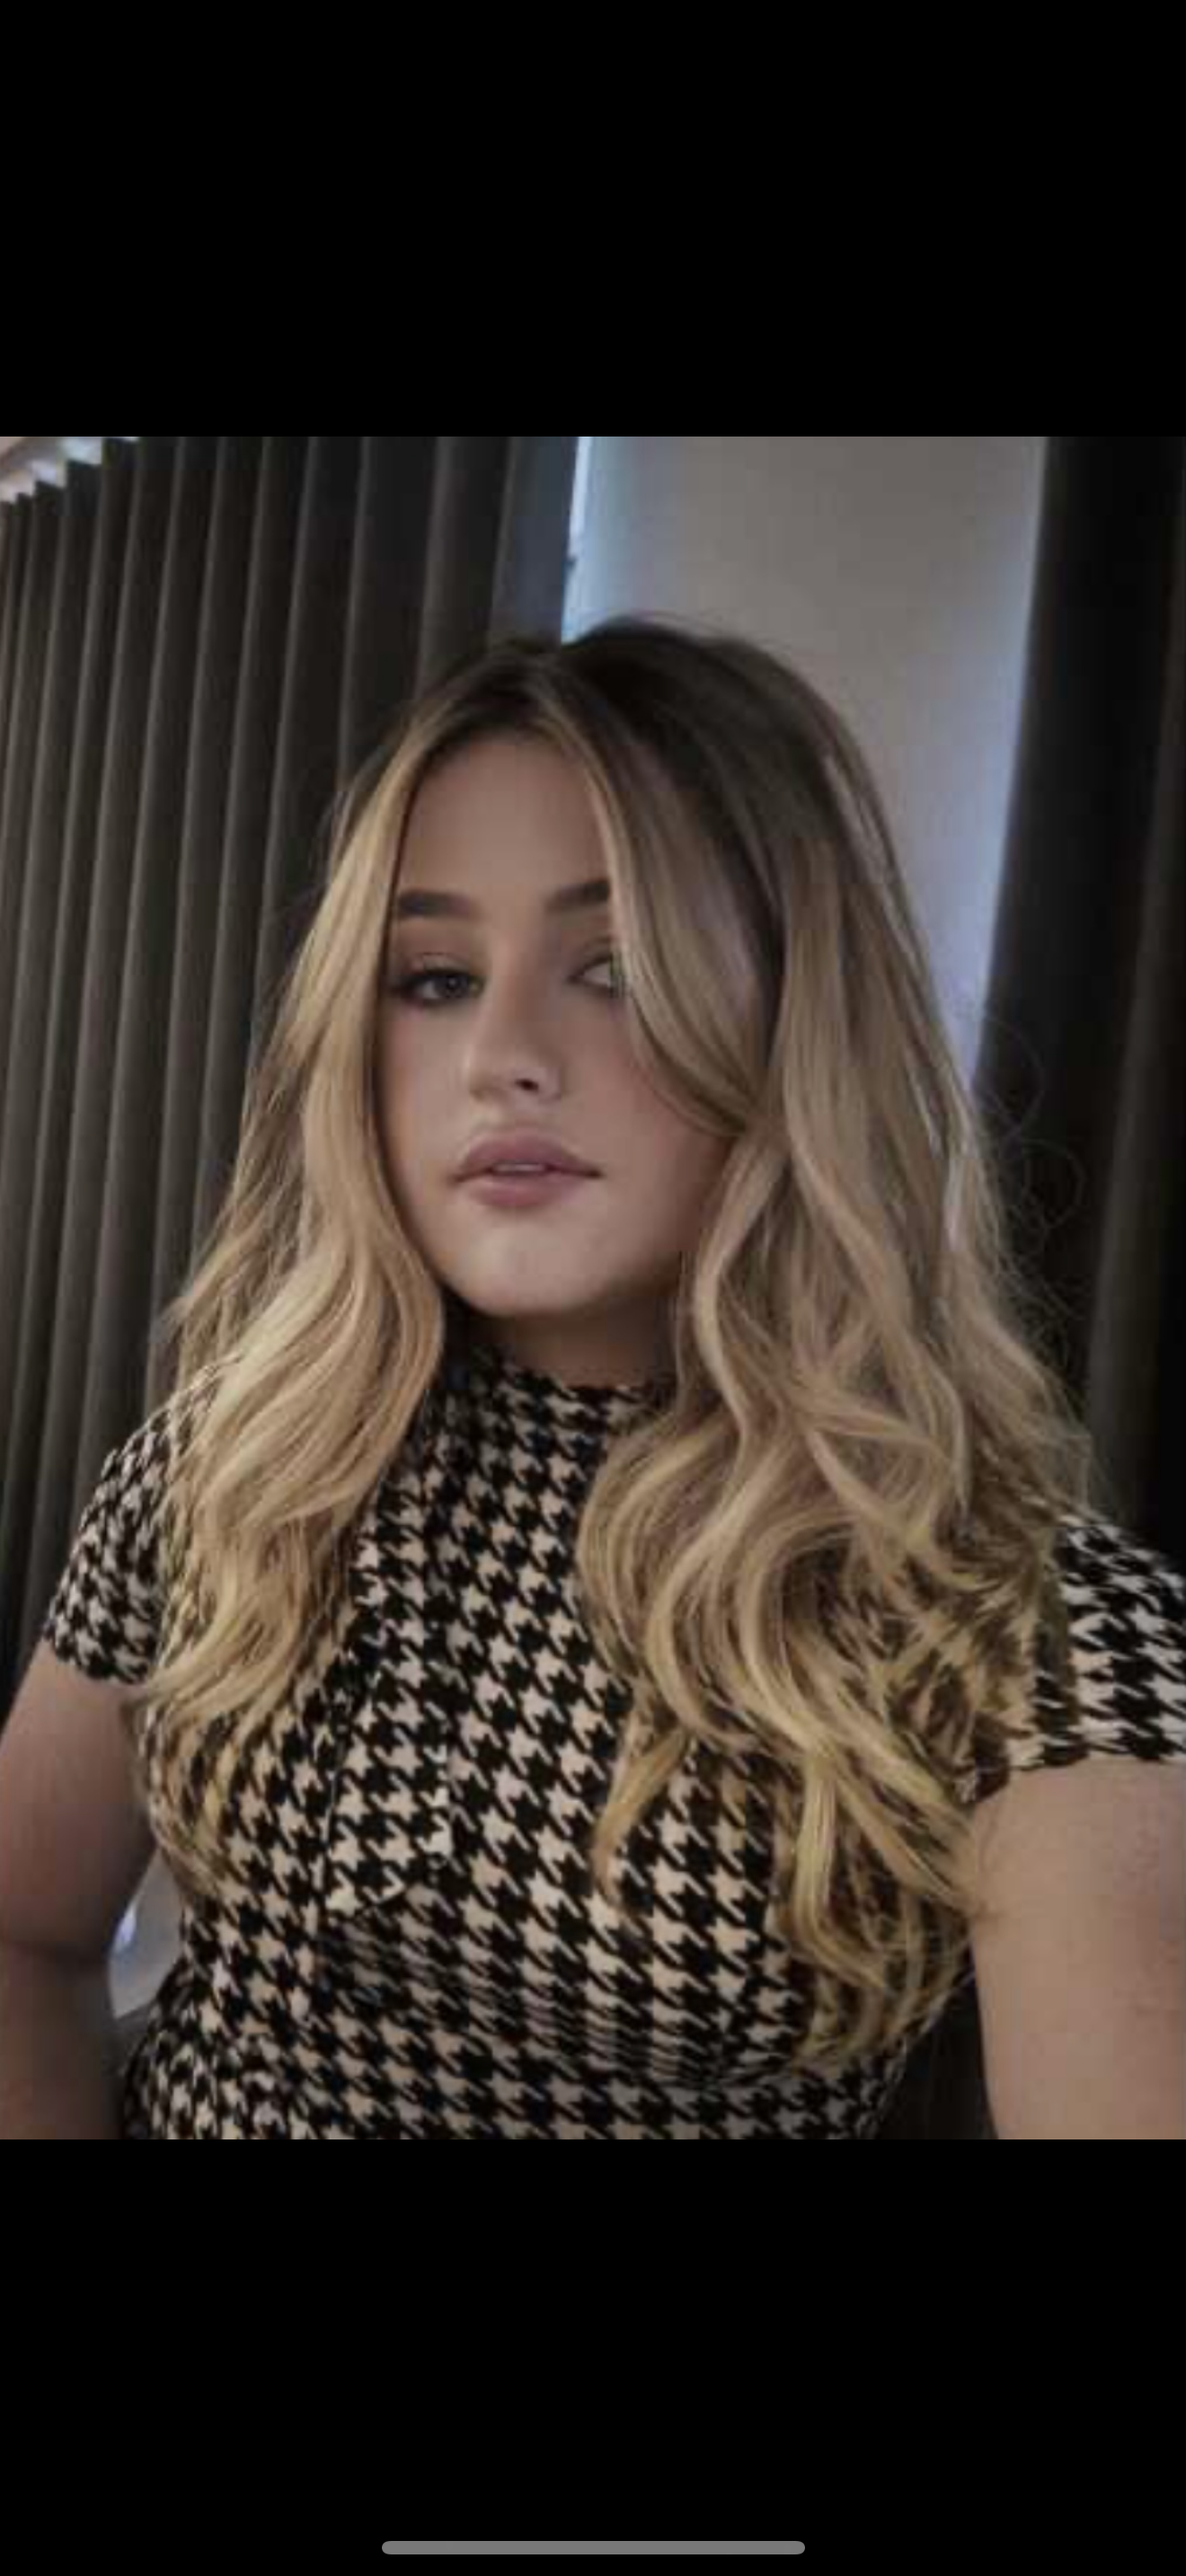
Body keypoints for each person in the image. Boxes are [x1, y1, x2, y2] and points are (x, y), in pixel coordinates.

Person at [5, 613, 1184, 2137]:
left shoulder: (1020, 1621)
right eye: (434, 977)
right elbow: (26, 1932)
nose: (503, 1053)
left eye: (617, 968)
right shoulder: (229, 1461)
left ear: (794, 1022)